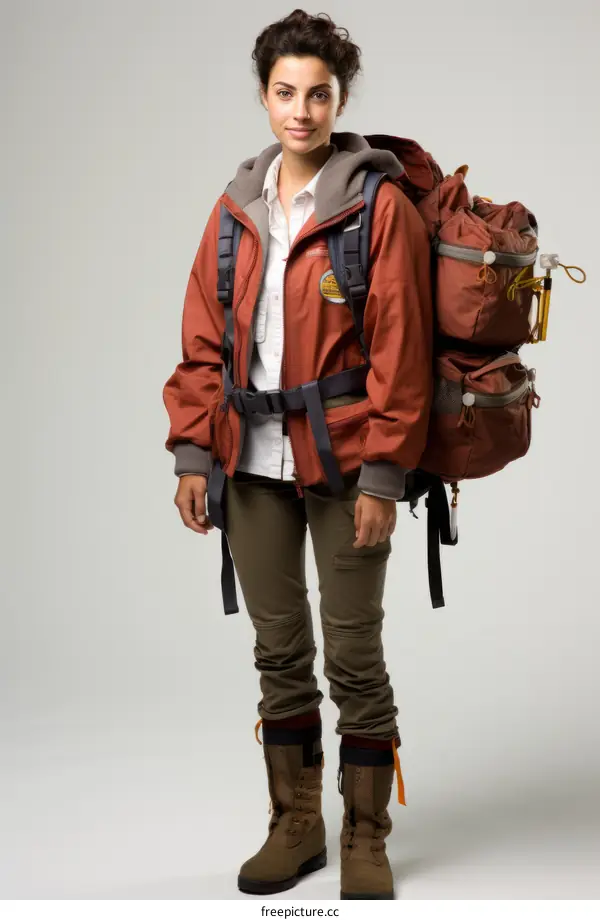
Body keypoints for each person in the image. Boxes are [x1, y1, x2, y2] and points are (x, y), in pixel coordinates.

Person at [162, 9, 433, 900]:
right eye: (286, 92)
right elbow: (202, 340)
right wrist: (193, 454)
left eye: (318, 94)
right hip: (248, 463)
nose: (301, 111)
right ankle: (296, 825)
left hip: (349, 461)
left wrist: (385, 475)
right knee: (278, 653)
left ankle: (366, 835)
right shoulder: (235, 209)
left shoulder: (376, 206)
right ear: (264, 96)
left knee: (353, 654)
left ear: (339, 99)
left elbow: (401, 351)